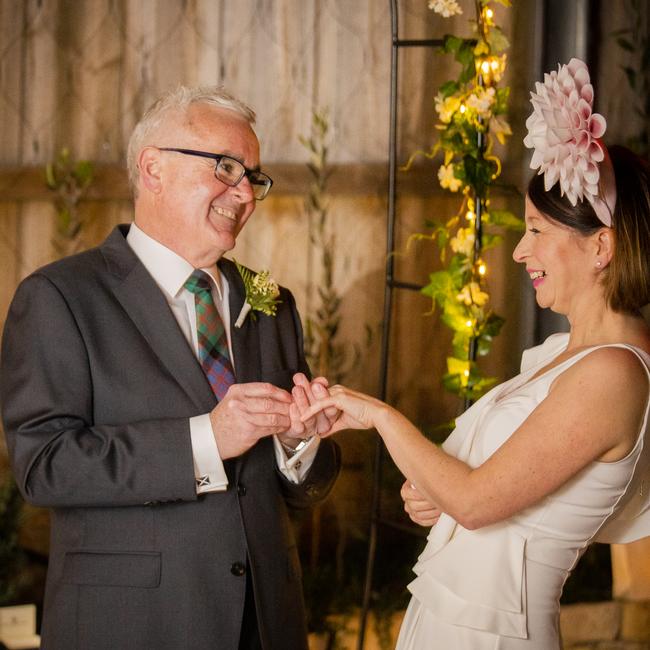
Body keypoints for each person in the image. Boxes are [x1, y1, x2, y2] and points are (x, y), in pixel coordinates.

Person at [303, 58, 650, 649]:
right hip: (451, 623)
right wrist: (432, 488)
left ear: (601, 248)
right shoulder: (560, 354)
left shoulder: (615, 372)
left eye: (537, 230)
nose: (519, 251)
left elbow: (477, 502)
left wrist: (381, 418)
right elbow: (475, 489)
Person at [0, 86, 341, 650]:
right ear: (153, 169)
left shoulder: (271, 303)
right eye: (226, 168)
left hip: (266, 624)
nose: (245, 193)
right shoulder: (60, 297)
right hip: (132, 625)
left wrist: (298, 446)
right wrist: (206, 440)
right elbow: (45, 465)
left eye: (253, 177)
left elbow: (304, 485)